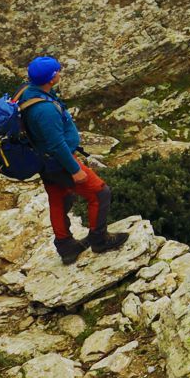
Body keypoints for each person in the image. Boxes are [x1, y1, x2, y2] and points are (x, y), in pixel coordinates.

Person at [19, 56, 127, 264]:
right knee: (100, 193)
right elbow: (56, 144)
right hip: (59, 162)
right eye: (57, 71)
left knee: (60, 199)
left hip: (45, 161)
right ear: (51, 79)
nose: (60, 73)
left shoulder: (30, 92)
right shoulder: (44, 110)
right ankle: (99, 239)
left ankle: (66, 247)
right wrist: (75, 170)